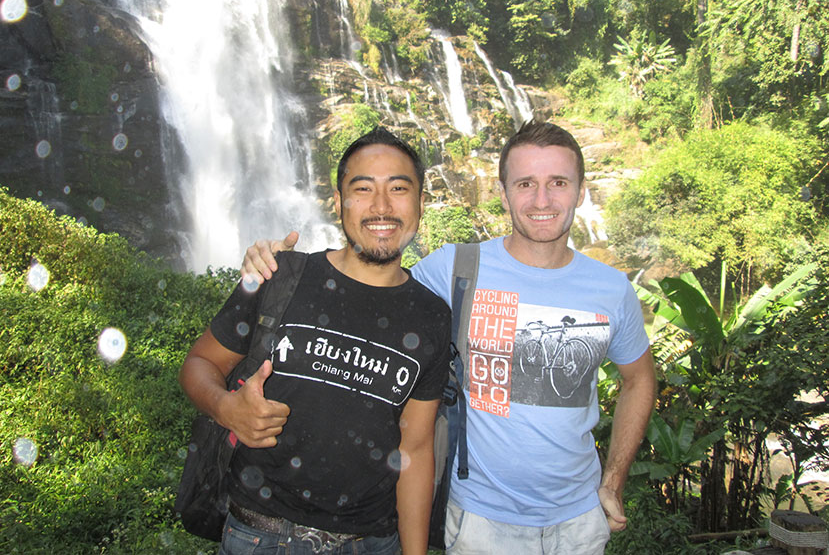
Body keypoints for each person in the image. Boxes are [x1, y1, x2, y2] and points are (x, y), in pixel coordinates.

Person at [241, 120, 656, 555]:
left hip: (578, 522)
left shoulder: (611, 288)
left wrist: (613, 480)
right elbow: (367, 289)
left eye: (558, 183)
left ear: (581, 191)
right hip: (478, 521)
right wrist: (274, 265)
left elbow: (639, 380)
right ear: (502, 193)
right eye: (525, 183)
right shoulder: (454, 269)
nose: (542, 200)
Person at [179, 127, 452, 555]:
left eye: (399, 189)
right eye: (363, 189)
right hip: (262, 535)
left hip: (372, 542)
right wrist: (226, 408)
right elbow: (199, 364)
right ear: (339, 202)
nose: (381, 206)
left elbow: (414, 448)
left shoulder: (432, 316)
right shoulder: (280, 276)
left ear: (420, 203)